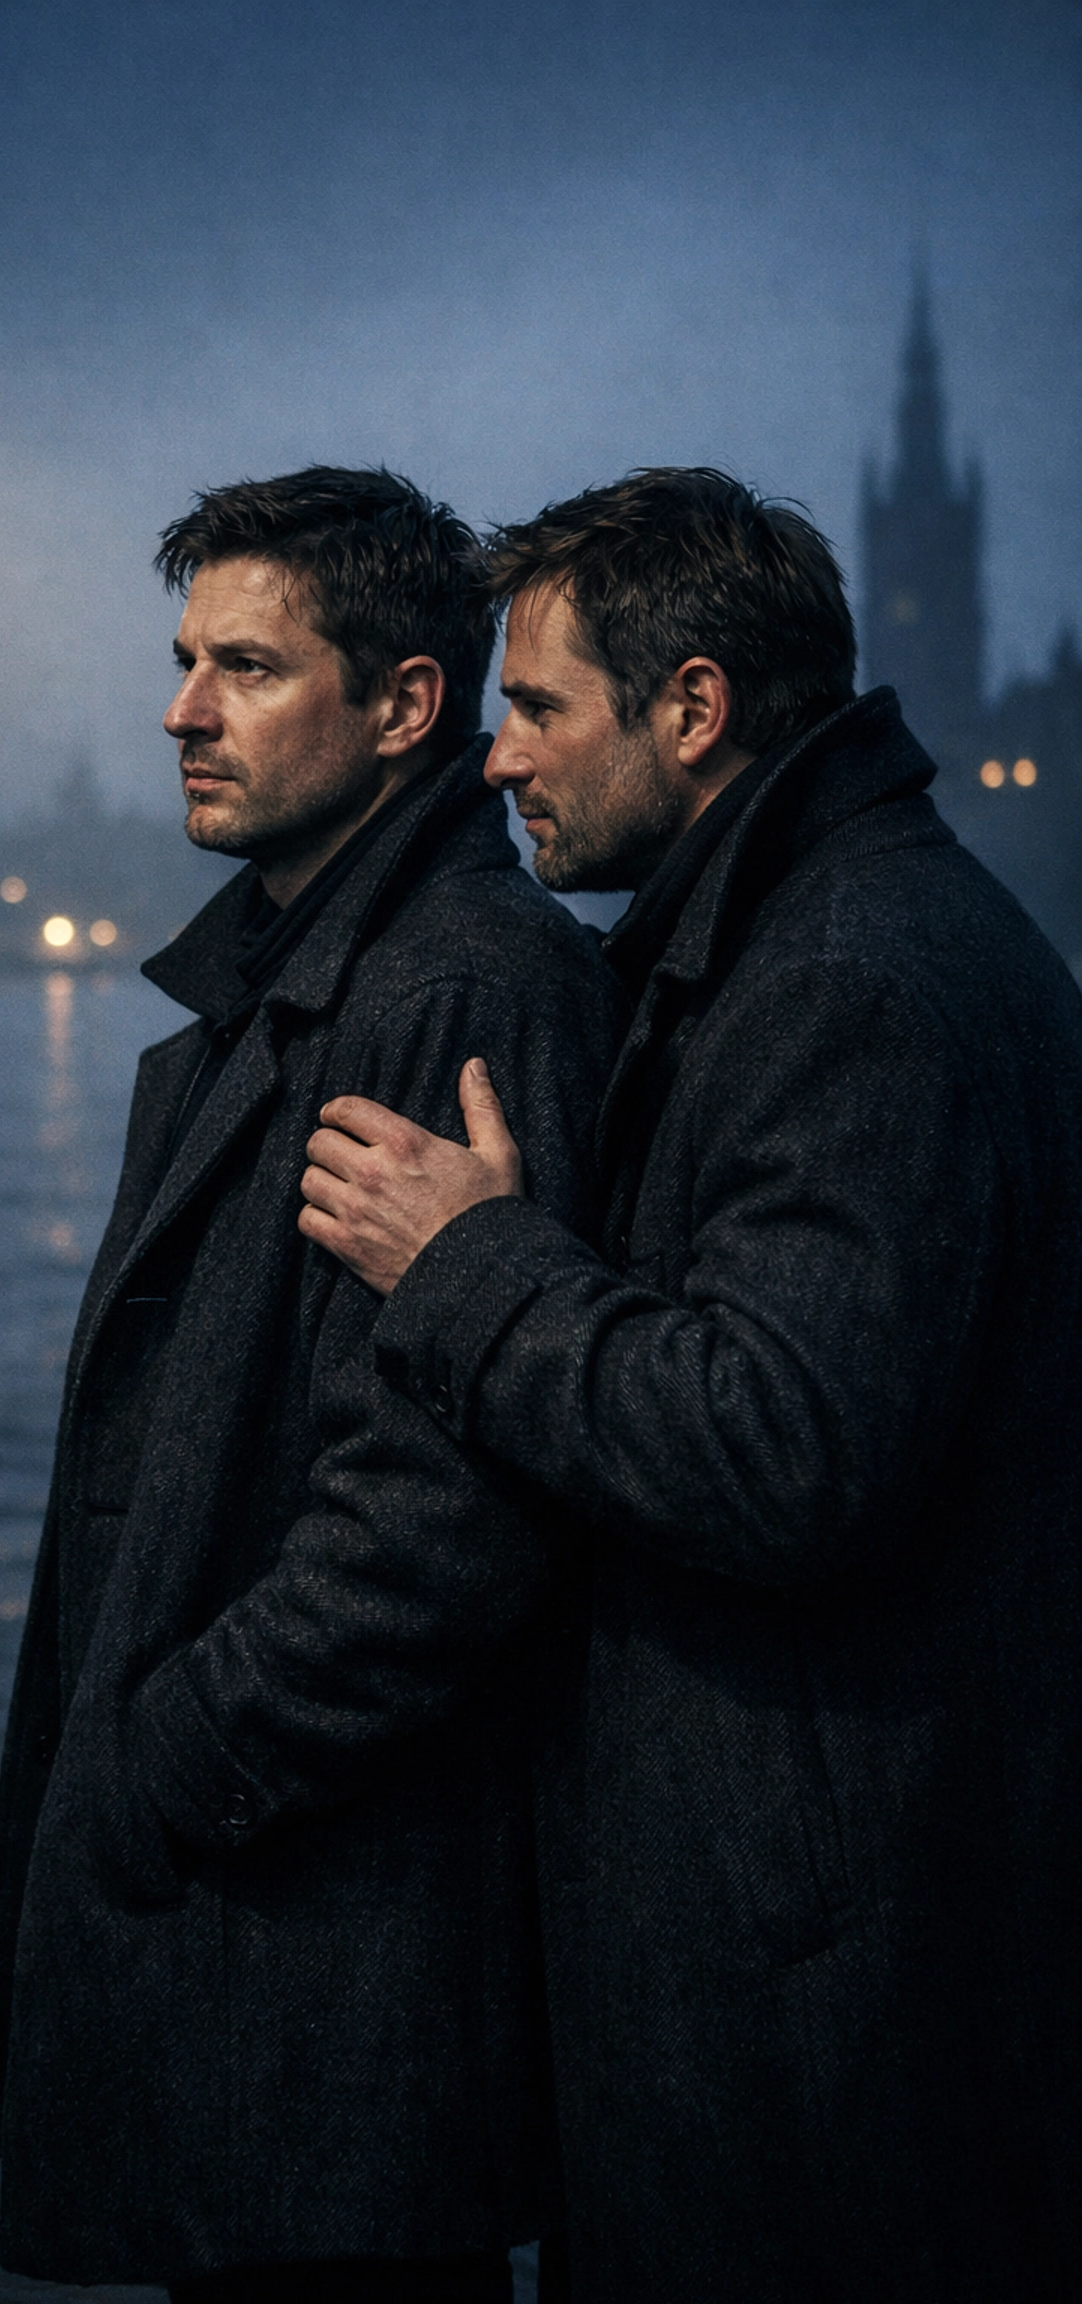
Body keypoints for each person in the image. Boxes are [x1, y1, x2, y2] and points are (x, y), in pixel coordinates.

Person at [300, 468, 1082, 2302]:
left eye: (541, 707)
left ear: (697, 708)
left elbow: (785, 1453)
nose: (498, 760)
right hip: (841, 1947)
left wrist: (466, 1267)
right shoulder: (839, 930)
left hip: (824, 1995)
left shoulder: (852, 985)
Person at [0, 466, 626, 2301]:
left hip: (335, 1943)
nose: (179, 711)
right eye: (182, 662)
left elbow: (445, 1518)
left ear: (406, 705)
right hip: (273, 1939)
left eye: (245, 668)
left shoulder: (462, 986)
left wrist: (164, 1758)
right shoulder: (303, 980)